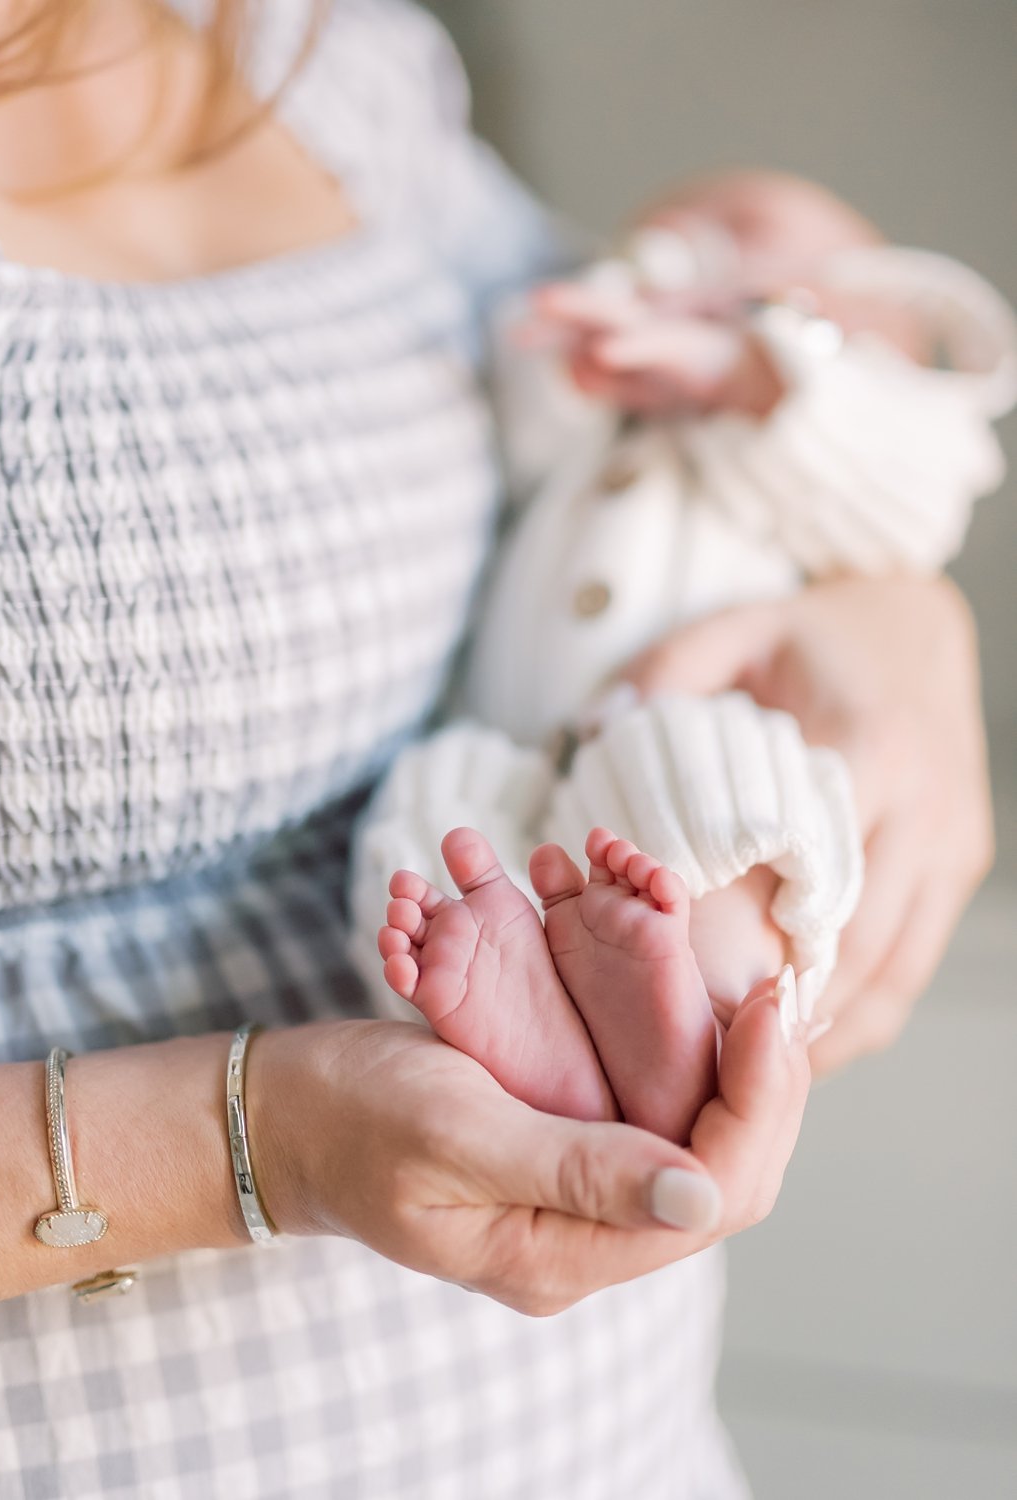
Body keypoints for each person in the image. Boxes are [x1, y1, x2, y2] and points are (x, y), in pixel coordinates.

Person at [0, 2, 995, 1496]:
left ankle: (668, 1010)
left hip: (620, 1454)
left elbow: (588, 361)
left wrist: (891, 608)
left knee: (625, 828)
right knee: (477, 851)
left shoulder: (316, 53)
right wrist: (261, 1137)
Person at [357, 173, 1015, 1144]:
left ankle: (695, 1008)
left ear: (863, 317)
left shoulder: (856, 425)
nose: (688, 228)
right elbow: (508, 434)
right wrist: (576, 360)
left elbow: (920, 494)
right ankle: (518, 1028)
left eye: (743, 225)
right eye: (669, 221)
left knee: (719, 802)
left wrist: (762, 373)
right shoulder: (611, 423)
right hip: (506, 735)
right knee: (437, 824)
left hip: (692, 705)